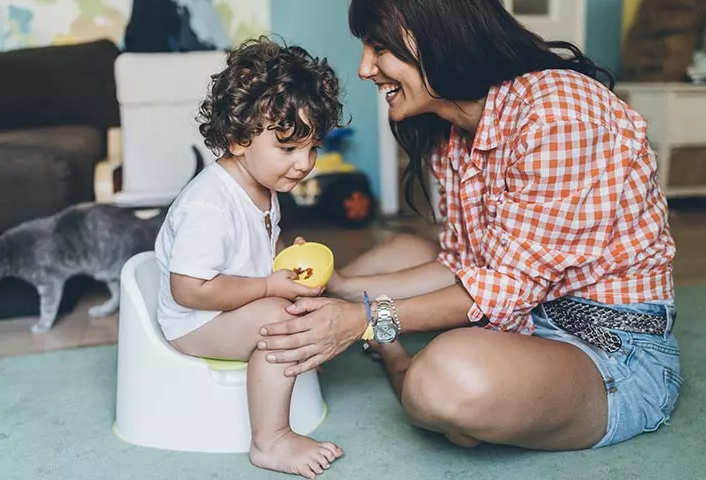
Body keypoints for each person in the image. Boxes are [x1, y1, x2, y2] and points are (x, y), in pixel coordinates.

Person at [256, 0, 681, 452]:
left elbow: (503, 288)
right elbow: (464, 264)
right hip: (518, 321)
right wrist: (342, 287)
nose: (365, 69)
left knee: (443, 383)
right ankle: (390, 341)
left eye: (379, 48)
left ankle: (399, 362)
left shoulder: (559, 115)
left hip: (612, 352)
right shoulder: (455, 131)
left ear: (440, 36)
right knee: (405, 251)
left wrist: (362, 320)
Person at [154, 37, 344, 478]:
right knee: (285, 321)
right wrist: (267, 287)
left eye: (312, 147)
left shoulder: (263, 185)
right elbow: (188, 289)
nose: (304, 164)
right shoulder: (209, 204)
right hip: (193, 322)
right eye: (288, 148)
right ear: (239, 138)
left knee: (302, 304)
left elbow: (256, 250)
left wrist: (282, 266)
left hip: (228, 305)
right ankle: (271, 440)